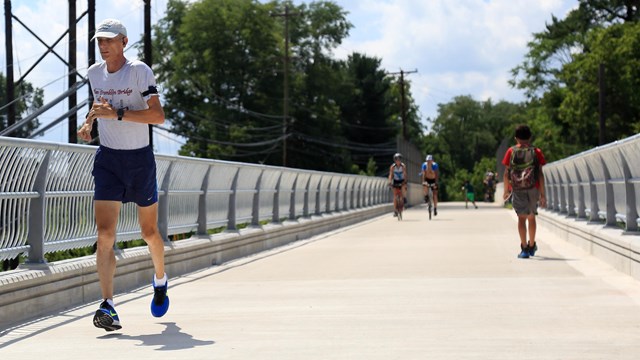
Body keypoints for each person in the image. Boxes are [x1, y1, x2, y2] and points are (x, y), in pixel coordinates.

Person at [78, 18, 169, 331]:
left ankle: (160, 279)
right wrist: (89, 122)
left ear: (124, 42)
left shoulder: (139, 71)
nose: (103, 46)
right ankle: (108, 305)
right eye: (99, 41)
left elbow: (157, 115)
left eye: (109, 40)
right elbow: (99, 102)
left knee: (149, 233)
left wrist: (117, 114)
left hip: (139, 161)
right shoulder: (93, 73)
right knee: (104, 235)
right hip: (108, 161)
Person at [502, 124, 547, 259]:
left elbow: (506, 173)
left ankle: (524, 249)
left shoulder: (511, 151)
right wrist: (543, 194)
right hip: (533, 188)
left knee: (521, 218)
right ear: (530, 137)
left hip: (518, 189)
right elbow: (540, 174)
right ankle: (532, 245)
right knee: (531, 216)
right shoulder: (536, 151)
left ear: (516, 138)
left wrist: (506, 190)